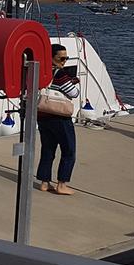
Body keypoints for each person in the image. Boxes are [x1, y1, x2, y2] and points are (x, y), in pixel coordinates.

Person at [37, 44, 79, 195]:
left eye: (66, 58)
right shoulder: (60, 74)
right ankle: (61, 184)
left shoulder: (40, 71)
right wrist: (73, 81)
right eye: (61, 58)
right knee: (69, 151)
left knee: (48, 149)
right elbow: (73, 93)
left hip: (42, 115)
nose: (64, 61)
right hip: (59, 118)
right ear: (51, 58)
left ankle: (44, 182)